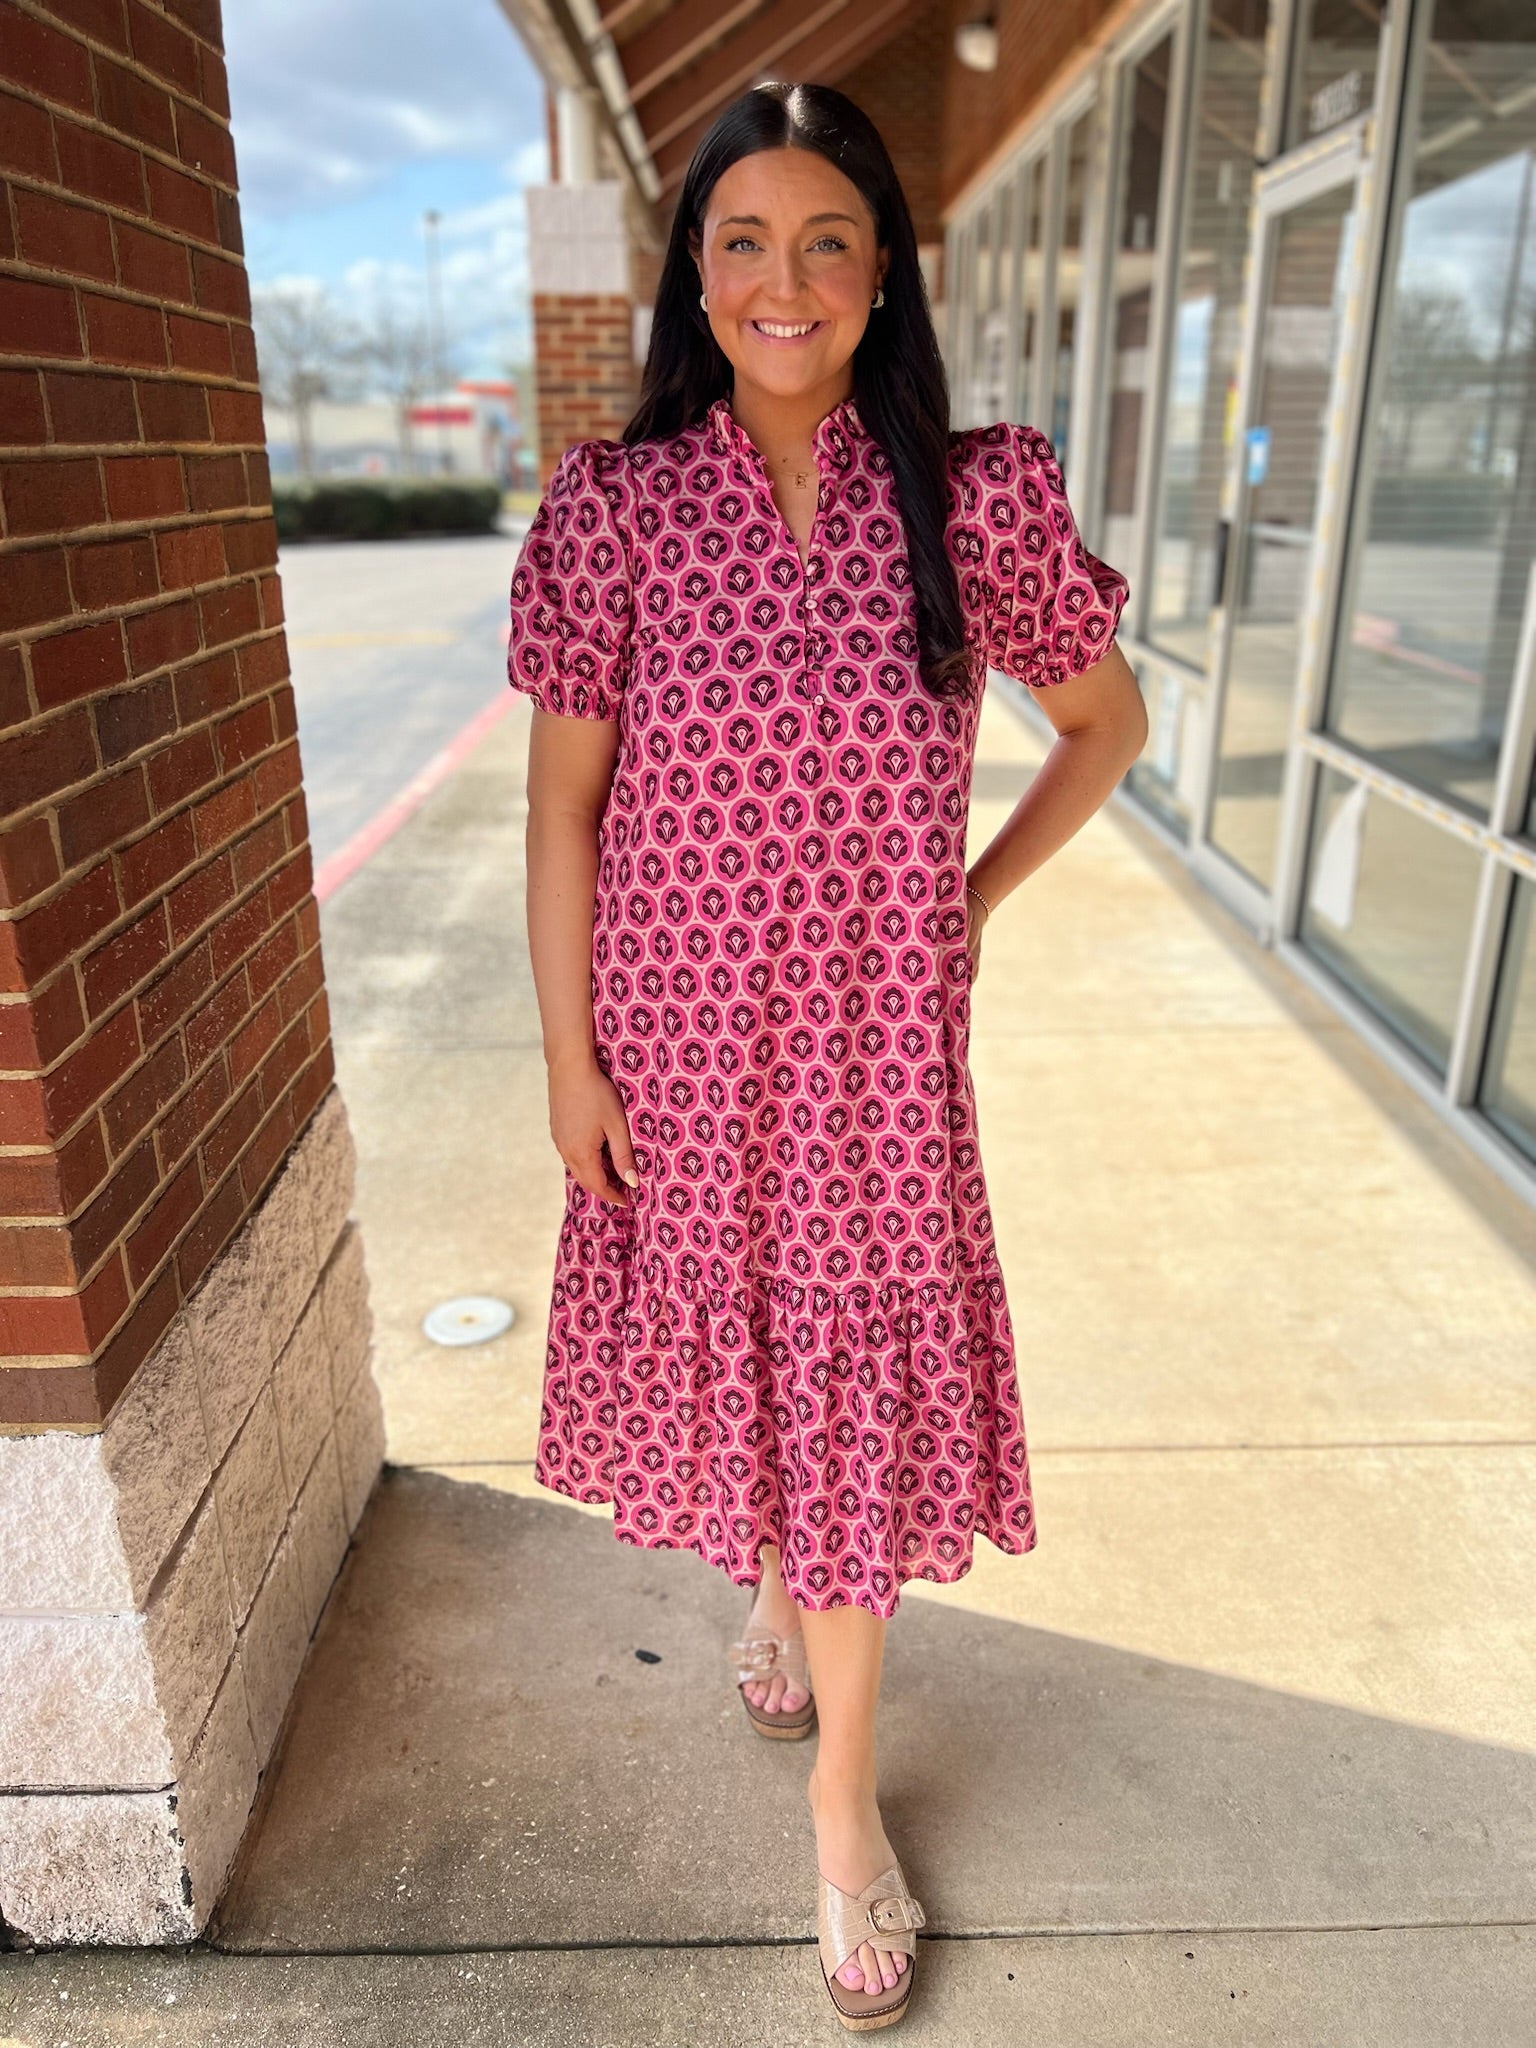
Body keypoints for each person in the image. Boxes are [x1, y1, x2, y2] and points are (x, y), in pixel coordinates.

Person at [507, 79, 1145, 2031]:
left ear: (882, 272)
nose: (783, 281)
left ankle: (843, 1803)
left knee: (851, 1393)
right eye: (744, 243)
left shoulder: (975, 498)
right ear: (695, 275)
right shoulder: (615, 512)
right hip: (682, 1059)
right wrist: (569, 1060)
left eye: (826, 241)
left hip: (876, 1072)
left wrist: (970, 899)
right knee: (759, 1372)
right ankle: (774, 1593)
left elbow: (1105, 728)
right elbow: (564, 811)